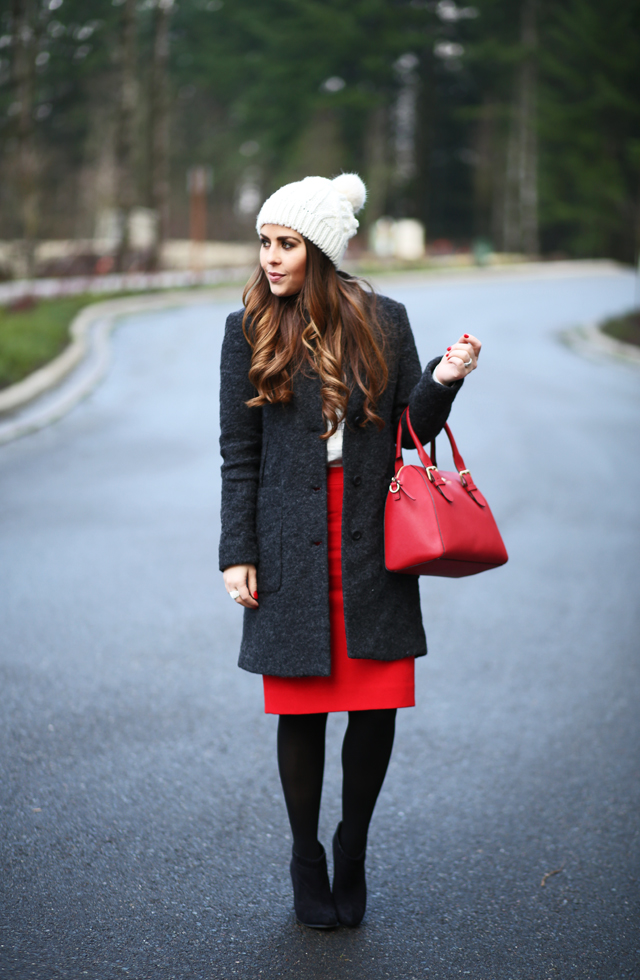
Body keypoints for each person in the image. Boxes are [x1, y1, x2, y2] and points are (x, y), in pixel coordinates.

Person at [219, 173, 480, 929]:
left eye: (287, 245)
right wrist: (238, 550)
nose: (271, 258)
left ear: (322, 251)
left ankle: (352, 846)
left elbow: (409, 431)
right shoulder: (248, 328)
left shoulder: (384, 321)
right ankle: (306, 854)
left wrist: (444, 379)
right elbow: (239, 454)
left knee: (374, 705)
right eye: (265, 242)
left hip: (369, 536)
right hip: (288, 541)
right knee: (300, 707)